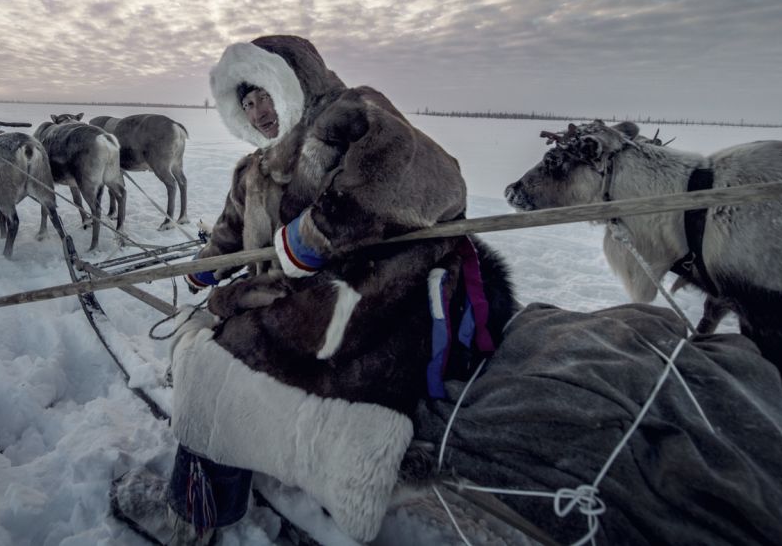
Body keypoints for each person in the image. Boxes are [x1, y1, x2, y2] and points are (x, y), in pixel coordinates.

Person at [112, 35, 515, 544]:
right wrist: (206, 267)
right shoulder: (256, 169)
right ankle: (239, 460)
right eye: (247, 101)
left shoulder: (351, 115)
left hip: (370, 305)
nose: (257, 109)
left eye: (263, 92)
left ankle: (192, 516)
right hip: (303, 305)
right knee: (218, 325)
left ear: (292, 80)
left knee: (216, 364)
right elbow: (231, 233)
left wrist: (317, 232)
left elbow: (438, 182)